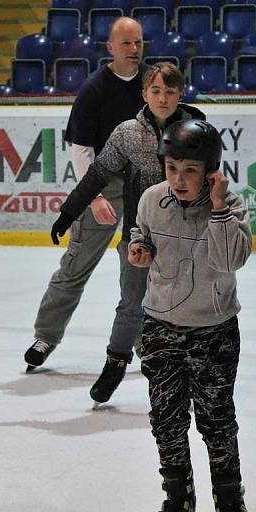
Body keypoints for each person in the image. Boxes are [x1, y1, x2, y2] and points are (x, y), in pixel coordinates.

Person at [128, 118, 253, 512]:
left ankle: (230, 500)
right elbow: (139, 234)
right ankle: (177, 496)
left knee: (217, 422)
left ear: (212, 171)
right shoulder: (151, 200)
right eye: (172, 168)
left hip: (214, 331)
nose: (178, 180)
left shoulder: (232, 207)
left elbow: (229, 261)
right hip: (161, 327)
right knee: (166, 421)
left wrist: (217, 206)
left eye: (191, 171)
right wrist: (138, 249)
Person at [51, 63, 205, 404]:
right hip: (140, 234)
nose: (162, 98)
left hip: (185, 235)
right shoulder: (127, 134)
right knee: (132, 303)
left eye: (169, 91)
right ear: (144, 94)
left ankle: (188, 369)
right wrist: (68, 213)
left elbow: (209, 180)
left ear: (181, 93)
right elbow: (98, 173)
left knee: (187, 305)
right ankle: (115, 363)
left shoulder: (196, 130)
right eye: (155, 91)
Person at [25, 17, 146, 371]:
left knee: (140, 269)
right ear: (111, 48)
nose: (134, 49)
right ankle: (45, 335)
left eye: (138, 42)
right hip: (103, 185)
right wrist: (92, 197)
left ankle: (142, 342)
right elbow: (82, 149)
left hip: (143, 187)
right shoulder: (94, 89)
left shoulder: (151, 83)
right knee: (76, 264)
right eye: (126, 43)